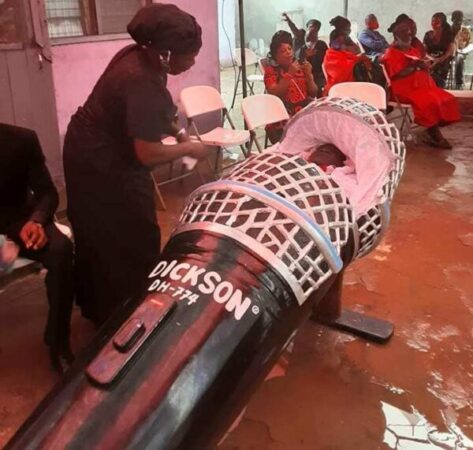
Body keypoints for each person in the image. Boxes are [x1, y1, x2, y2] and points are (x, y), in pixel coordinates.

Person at [63, 4, 210, 325]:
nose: (193, 62)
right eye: (190, 56)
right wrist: (189, 148)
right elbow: (147, 154)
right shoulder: (139, 78)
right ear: (167, 53)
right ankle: (120, 314)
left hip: (102, 146)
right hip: (97, 158)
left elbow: (157, 113)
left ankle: (115, 305)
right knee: (127, 233)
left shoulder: (144, 56)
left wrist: (180, 134)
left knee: (118, 229)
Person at [0, 123, 74, 373]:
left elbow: (48, 193)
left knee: (61, 251)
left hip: (19, 220)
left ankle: (58, 340)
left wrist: (37, 220)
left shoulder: (20, 139)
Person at [382, 22, 460, 149]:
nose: (409, 38)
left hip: (423, 86)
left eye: (410, 35)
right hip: (404, 90)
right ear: (396, 37)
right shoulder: (391, 53)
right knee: (429, 102)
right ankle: (434, 134)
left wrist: (425, 65)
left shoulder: (413, 50)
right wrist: (415, 66)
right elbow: (398, 74)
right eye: (404, 36)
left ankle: (431, 130)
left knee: (447, 98)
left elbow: (421, 64)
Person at [263, 30, 317, 144]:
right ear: (276, 57)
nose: (288, 52)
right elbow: (274, 93)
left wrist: (309, 76)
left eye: (289, 49)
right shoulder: (271, 71)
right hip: (281, 118)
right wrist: (289, 75)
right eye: (283, 51)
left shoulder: (301, 67)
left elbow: (313, 93)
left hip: (304, 115)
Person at [323, 17, 373, 94]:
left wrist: (356, 56)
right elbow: (341, 52)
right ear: (342, 28)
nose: (349, 30)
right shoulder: (336, 36)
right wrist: (356, 58)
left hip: (347, 61)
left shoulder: (346, 37)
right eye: (348, 28)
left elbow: (357, 50)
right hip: (336, 64)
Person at [282, 16, 328, 92]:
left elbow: (326, 61)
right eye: (311, 27)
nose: (313, 30)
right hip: (300, 75)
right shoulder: (300, 40)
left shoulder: (321, 45)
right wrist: (305, 55)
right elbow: (295, 30)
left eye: (316, 29)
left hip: (317, 76)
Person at [423, 12, 455, 88]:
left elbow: (449, 52)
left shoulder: (448, 35)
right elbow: (424, 51)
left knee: (439, 69)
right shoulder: (428, 35)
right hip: (430, 59)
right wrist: (431, 59)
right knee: (422, 66)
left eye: (437, 22)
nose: (434, 23)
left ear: (442, 23)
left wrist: (438, 60)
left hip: (443, 60)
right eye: (433, 21)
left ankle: (439, 87)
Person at [451, 10, 472, 89]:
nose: (459, 21)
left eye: (460, 19)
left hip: (460, 53)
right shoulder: (448, 30)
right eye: (456, 19)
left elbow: (470, 43)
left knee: (460, 58)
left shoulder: (465, 30)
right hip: (449, 53)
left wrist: (463, 50)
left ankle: (459, 83)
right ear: (452, 19)